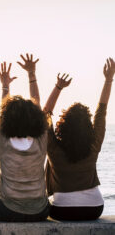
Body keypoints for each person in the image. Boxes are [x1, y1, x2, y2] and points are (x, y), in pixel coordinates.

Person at [45, 58, 115, 221]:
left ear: (63, 126)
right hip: (94, 208)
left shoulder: (54, 150)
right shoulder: (93, 145)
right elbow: (101, 111)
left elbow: (45, 115)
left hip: (61, 210)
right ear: (88, 127)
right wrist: (109, 79)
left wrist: (58, 87)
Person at [0, 54, 50, 222]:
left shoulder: (3, 139)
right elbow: (38, 105)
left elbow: (3, 113)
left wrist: (5, 86)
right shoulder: (41, 139)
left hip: (8, 210)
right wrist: (32, 74)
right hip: (39, 211)